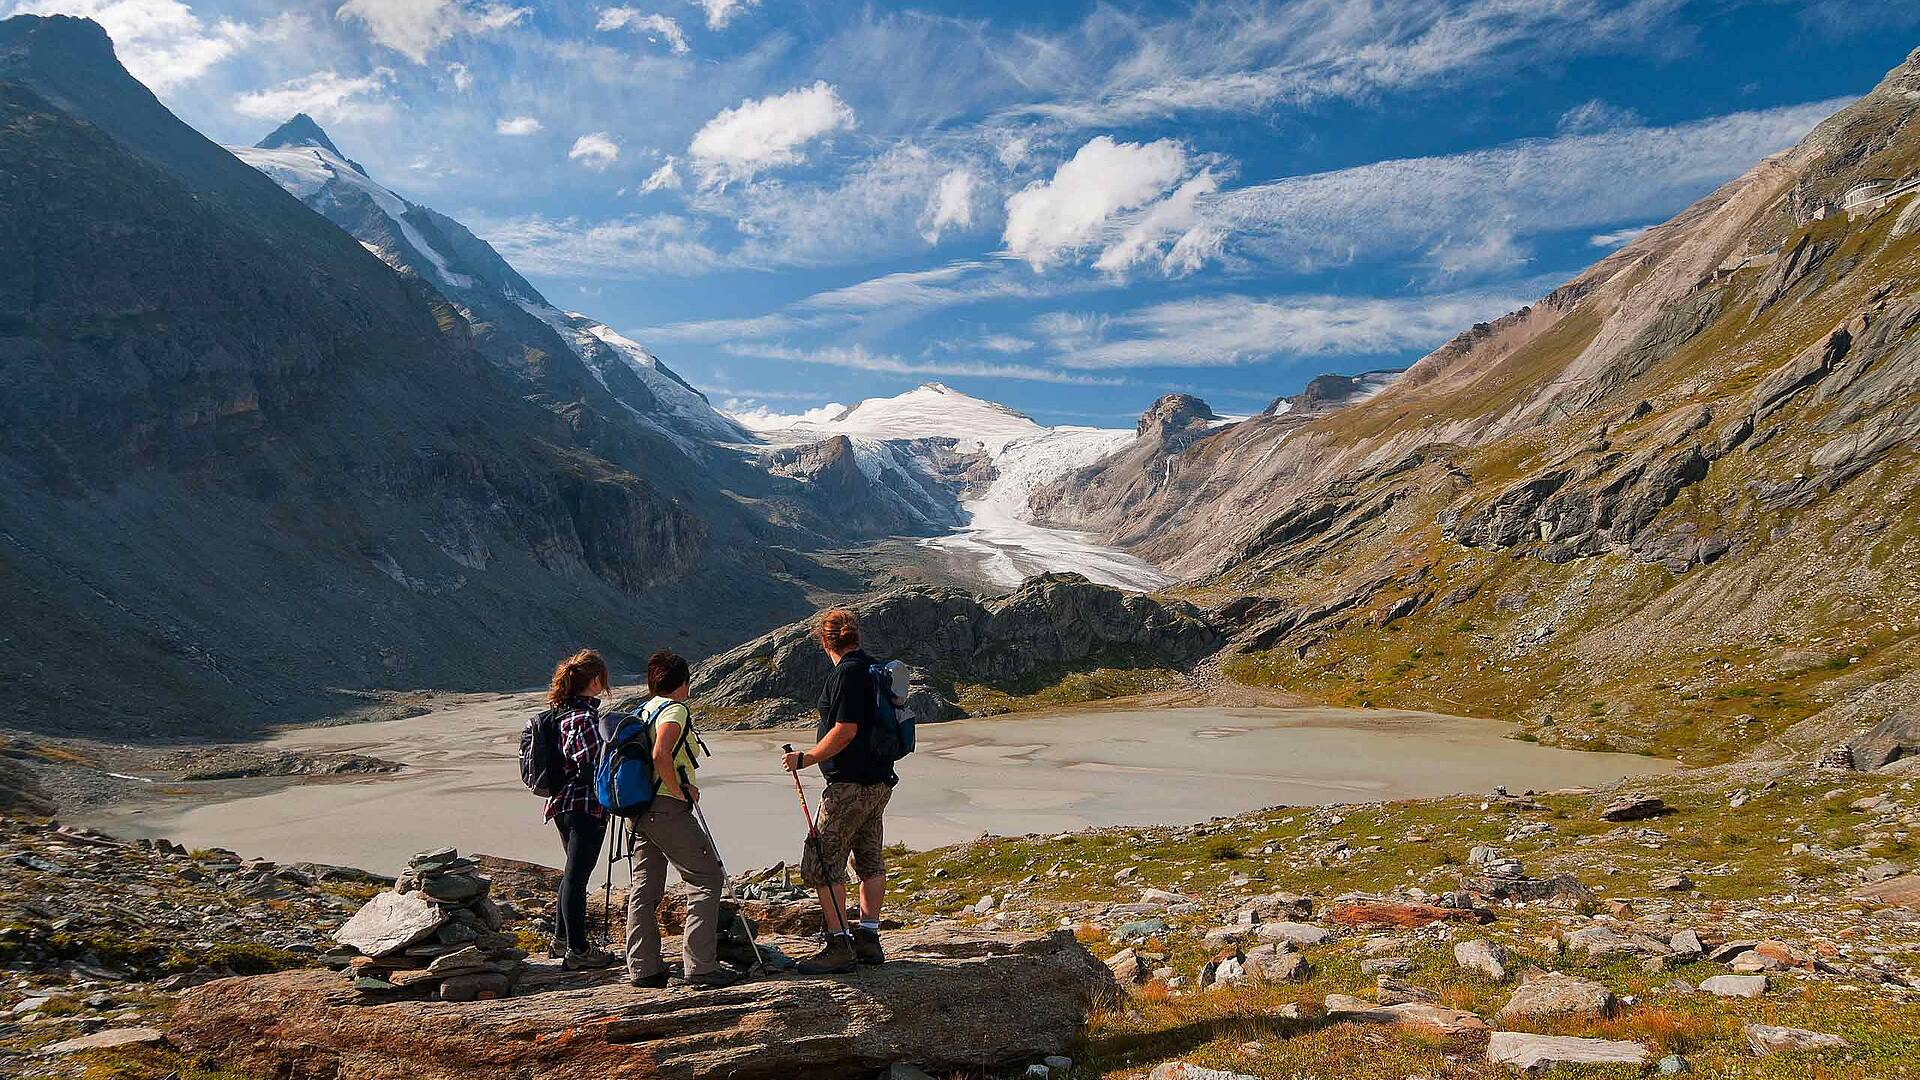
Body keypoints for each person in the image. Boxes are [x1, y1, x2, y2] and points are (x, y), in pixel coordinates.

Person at [781, 608, 896, 975]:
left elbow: (845, 729)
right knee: (868, 859)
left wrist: (807, 757)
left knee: (822, 860)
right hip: (879, 782)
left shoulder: (846, 675)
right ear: (855, 636)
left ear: (824, 640)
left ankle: (837, 943)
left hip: (848, 785)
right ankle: (868, 937)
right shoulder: (874, 669)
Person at [622, 649, 744, 989]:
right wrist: (679, 792)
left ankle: (643, 967)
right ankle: (701, 967)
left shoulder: (643, 710)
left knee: (645, 887)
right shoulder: (674, 709)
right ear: (684, 682)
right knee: (705, 877)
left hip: (639, 811)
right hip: (665, 808)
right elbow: (661, 754)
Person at [544, 649, 617, 970]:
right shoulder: (584, 718)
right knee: (578, 876)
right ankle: (579, 950)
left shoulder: (560, 713)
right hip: (584, 805)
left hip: (561, 803)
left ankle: (561, 940)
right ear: (596, 680)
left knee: (571, 873)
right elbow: (589, 764)